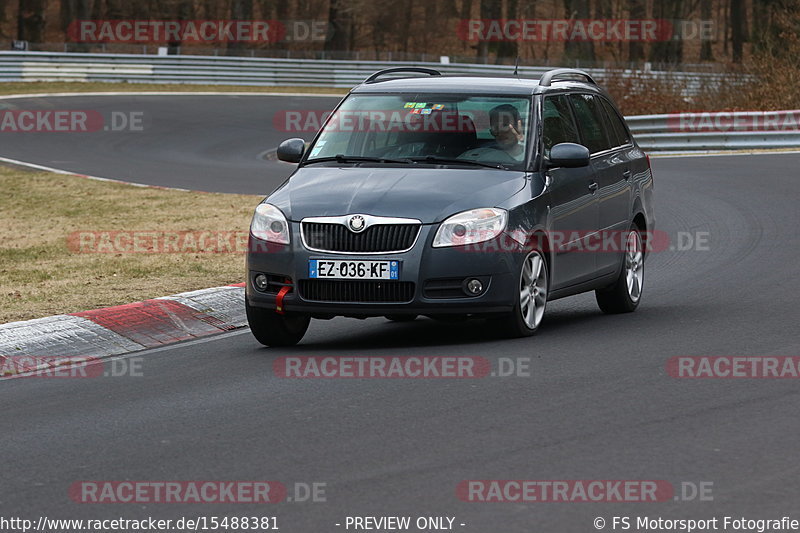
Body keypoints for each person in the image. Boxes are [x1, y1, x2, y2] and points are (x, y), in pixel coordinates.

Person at [459, 104, 526, 162]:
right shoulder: (477, 156)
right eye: (495, 128)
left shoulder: (531, 157)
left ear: (519, 126)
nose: (500, 132)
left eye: (505, 125)